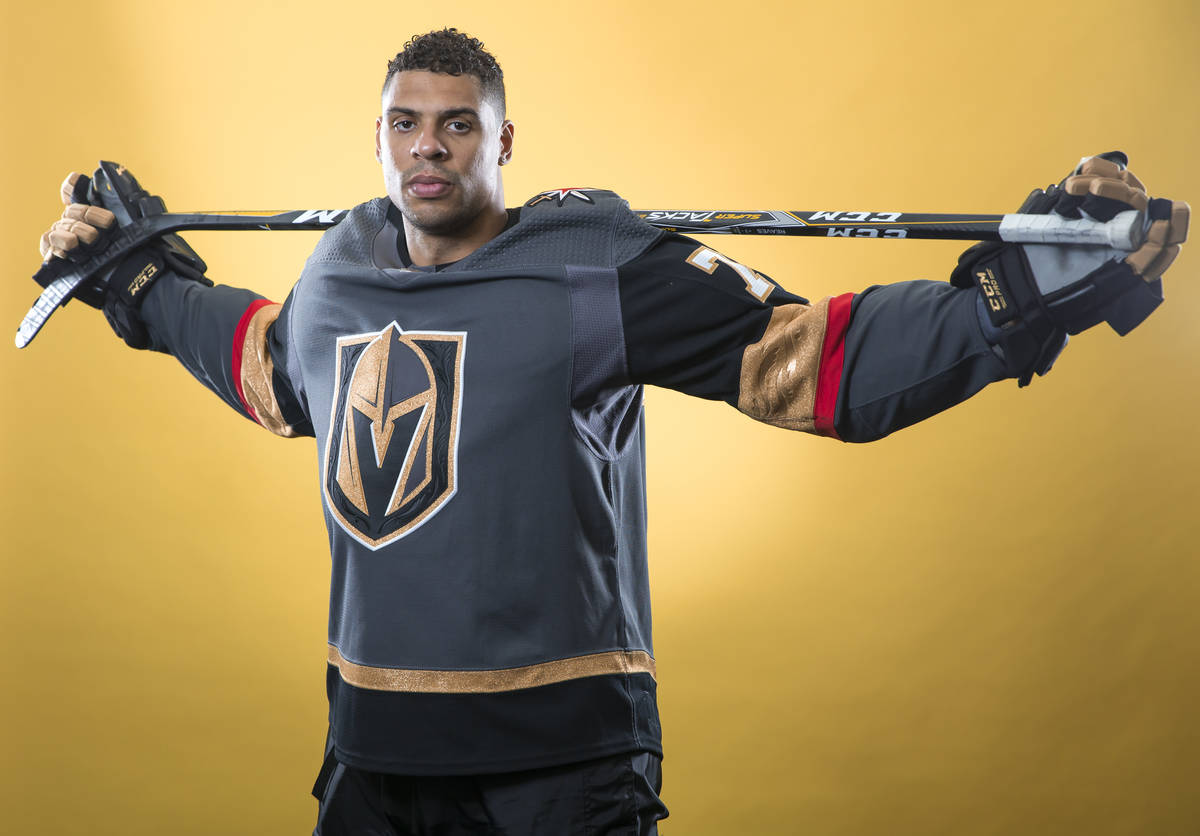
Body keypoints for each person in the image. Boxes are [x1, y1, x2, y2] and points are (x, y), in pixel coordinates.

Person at [34, 27, 1188, 836]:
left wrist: (1009, 297)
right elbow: (273, 367)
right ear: (377, 138)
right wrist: (139, 284)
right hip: (372, 765)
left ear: (503, 143)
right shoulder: (340, 272)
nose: (428, 146)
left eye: (458, 126)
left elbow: (813, 361)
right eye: (405, 124)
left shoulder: (600, 269)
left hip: (562, 774)